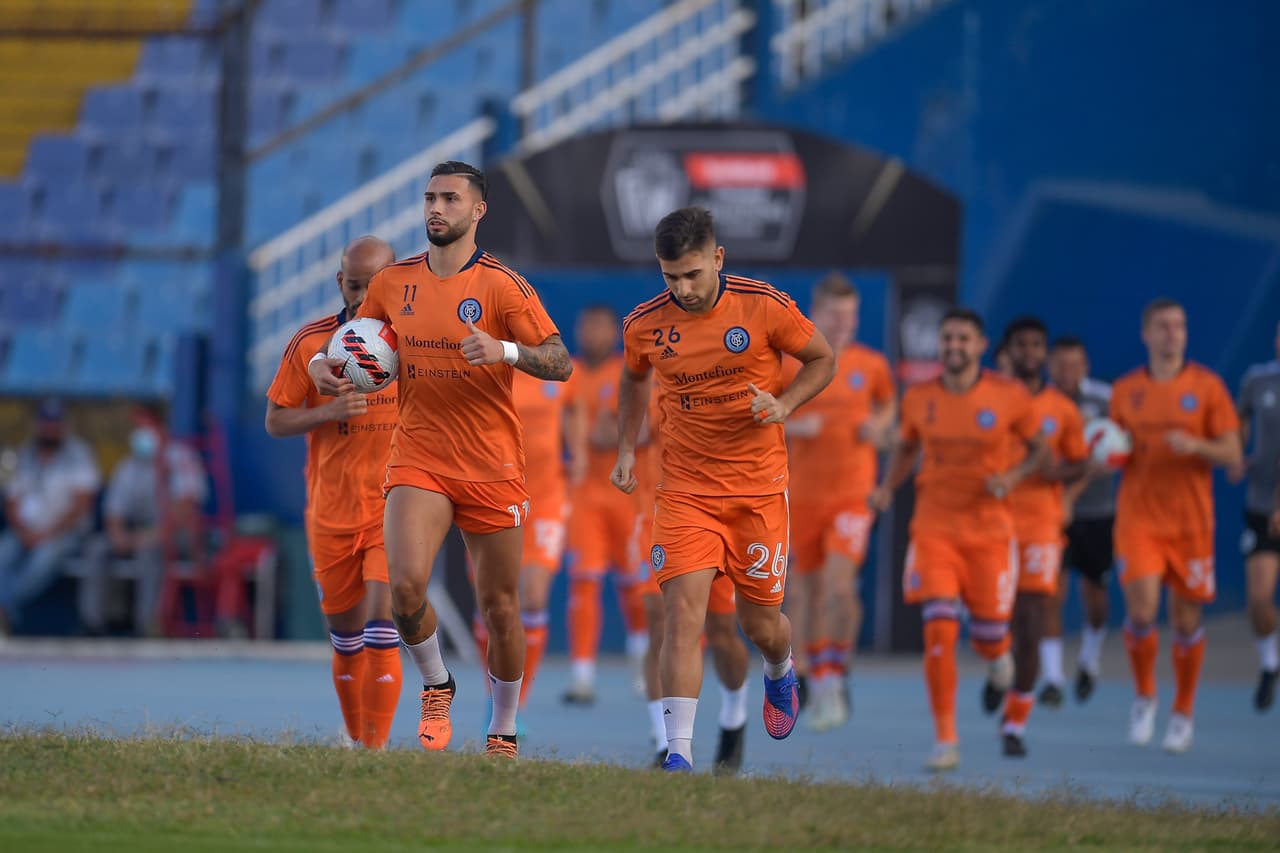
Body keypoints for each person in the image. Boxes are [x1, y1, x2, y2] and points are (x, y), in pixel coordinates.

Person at [308, 162, 571, 759]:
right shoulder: (393, 281)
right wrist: (318, 367)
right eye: (430, 198)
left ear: (477, 211)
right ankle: (437, 683)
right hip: (419, 454)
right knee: (404, 590)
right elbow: (352, 343)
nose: (436, 208)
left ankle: (503, 726)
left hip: (491, 463)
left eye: (450, 199)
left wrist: (505, 349)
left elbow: (560, 361)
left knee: (501, 608)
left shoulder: (504, 286)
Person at [611, 206, 836, 772]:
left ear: (717, 258)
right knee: (681, 616)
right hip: (685, 490)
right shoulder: (644, 324)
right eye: (669, 276)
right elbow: (634, 376)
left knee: (758, 624)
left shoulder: (763, 306)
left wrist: (783, 404)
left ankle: (781, 669)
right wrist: (624, 449)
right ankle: (679, 753)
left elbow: (821, 358)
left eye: (692, 274)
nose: (681, 289)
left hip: (758, 492)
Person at [869, 308, 1047, 771]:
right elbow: (907, 446)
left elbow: (1040, 450)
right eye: (947, 338)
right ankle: (945, 738)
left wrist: (1013, 476)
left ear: (981, 346)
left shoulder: (1007, 396)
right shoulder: (920, 397)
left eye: (963, 339)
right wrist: (888, 488)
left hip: (990, 532)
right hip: (935, 530)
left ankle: (998, 658)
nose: (953, 347)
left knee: (988, 634)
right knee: (939, 628)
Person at [266, 235, 401, 749]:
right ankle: (354, 738)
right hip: (330, 511)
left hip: (393, 508)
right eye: (355, 283)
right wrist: (326, 411)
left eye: (375, 285)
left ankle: (376, 750)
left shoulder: (414, 343)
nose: (364, 295)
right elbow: (275, 420)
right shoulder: (310, 343)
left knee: (382, 627)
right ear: (339, 282)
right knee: (346, 641)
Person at [1111, 298, 1241, 753]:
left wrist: (1195, 445)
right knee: (1143, 612)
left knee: (1185, 621)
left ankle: (1183, 711)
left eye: (1180, 326)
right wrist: (1110, 451)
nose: (1172, 333)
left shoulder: (1207, 387)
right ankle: (1145, 696)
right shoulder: (1126, 391)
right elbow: (1112, 447)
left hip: (1190, 522)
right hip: (1140, 517)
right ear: (1145, 333)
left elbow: (1232, 453)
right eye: (1163, 326)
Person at [782, 273, 895, 730]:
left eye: (851, 314)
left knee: (838, 585)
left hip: (852, 495)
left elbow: (889, 407)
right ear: (816, 312)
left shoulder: (871, 365)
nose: (844, 322)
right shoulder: (793, 363)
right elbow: (760, 415)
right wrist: (791, 424)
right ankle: (809, 672)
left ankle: (834, 676)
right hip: (801, 495)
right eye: (835, 313)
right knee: (802, 592)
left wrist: (879, 426)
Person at [631, 395, 750, 773]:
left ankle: (735, 716)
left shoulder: (711, 374)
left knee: (721, 632)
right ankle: (668, 743)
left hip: (712, 516)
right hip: (656, 515)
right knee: (660, 625)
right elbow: (611, 431)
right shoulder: (642, 377)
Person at [996, 317, 1087, 757]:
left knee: (1032, 620)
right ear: (1009, 351)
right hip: (992, 525)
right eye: (1021, 345)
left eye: (1037, 344)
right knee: (1000, 625)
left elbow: (1080, 462)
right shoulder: (994, 401)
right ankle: (999, 671)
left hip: (1041, 527)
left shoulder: (1063, 410)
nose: (1029, 352)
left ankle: (1014, 722)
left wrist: (1057, 477)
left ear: (1044, 353)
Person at [473, 367, 585, 720]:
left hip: (546, 498)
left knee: (533, 595)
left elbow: (574, 408)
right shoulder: (489, 369)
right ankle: (495, 690)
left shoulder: (559, 371)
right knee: (491, 600)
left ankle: (515, 704)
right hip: (493, 493)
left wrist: (578, 451)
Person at [563, 305, 650, 704]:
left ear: (614, 332)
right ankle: (582, 676)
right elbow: (561, 425)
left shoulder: (628, 372)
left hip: (628, 495)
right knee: (584, 581)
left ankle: (642, 663)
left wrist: (615, 432)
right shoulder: (567, 373)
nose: (593, 334)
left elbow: (649, 426)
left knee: (635, 586)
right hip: (584, 497)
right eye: (586, 326)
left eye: (601, 327)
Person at [79, 404, 208, 638]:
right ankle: (93, 624)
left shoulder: (181, 458)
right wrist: (119, 535)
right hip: (137, 534)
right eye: (136, 428)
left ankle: (146, 626)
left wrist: (148, 537)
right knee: (98, 548)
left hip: (176, 537)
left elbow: (185, 512)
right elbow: (114, 512)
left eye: (144, 427)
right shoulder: (129, 466)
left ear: (159, 428)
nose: (140, 434)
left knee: (150, 552)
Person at [1041, 336, 1117, 705]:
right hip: (1051, 512)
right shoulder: (1040, 402)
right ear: (1050, 366)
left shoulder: (1105, 400)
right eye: (1060, 365)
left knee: (1096, 597)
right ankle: (1053, 677)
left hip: (1098, 511)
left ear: (1085, 367)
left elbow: (1122, 446)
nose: (1067, 372)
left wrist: (1111, 460)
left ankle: (1089, 658)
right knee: (1052, 592)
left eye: (1074, 365)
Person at [0, 398, 100, 635]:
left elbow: (81, 506)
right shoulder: (23, 454)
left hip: (63, 534)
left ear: (63, 425)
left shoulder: (79, 455)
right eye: (46, 422)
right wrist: (25, 532)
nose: (50, 428)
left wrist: (47, 534)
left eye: (55, 423)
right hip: (26, 532)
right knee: (3, 553)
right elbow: (11, 500)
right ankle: (4, 612)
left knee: (43, 560)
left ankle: (4, 607)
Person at [1232, 319, 1280, 711]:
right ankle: (1269, 665)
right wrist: (1238, 452)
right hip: (1261, 509)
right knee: (1259, 601)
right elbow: (1240, 420)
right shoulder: (1257, 380)